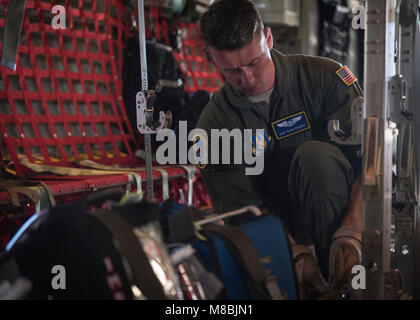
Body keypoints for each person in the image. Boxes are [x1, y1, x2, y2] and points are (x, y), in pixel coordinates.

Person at [195, 0, 363, 295]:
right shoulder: (215, 123)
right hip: (279, 240)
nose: (245, 79)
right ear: (211, 57)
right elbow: (242, 208)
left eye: (253, 62)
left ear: (268, 39)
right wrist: (293, 255)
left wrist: (353, 229)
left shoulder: (326, 79)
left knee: (315, 157)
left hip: (343, 225)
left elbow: (369, 165)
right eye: (231, 71)